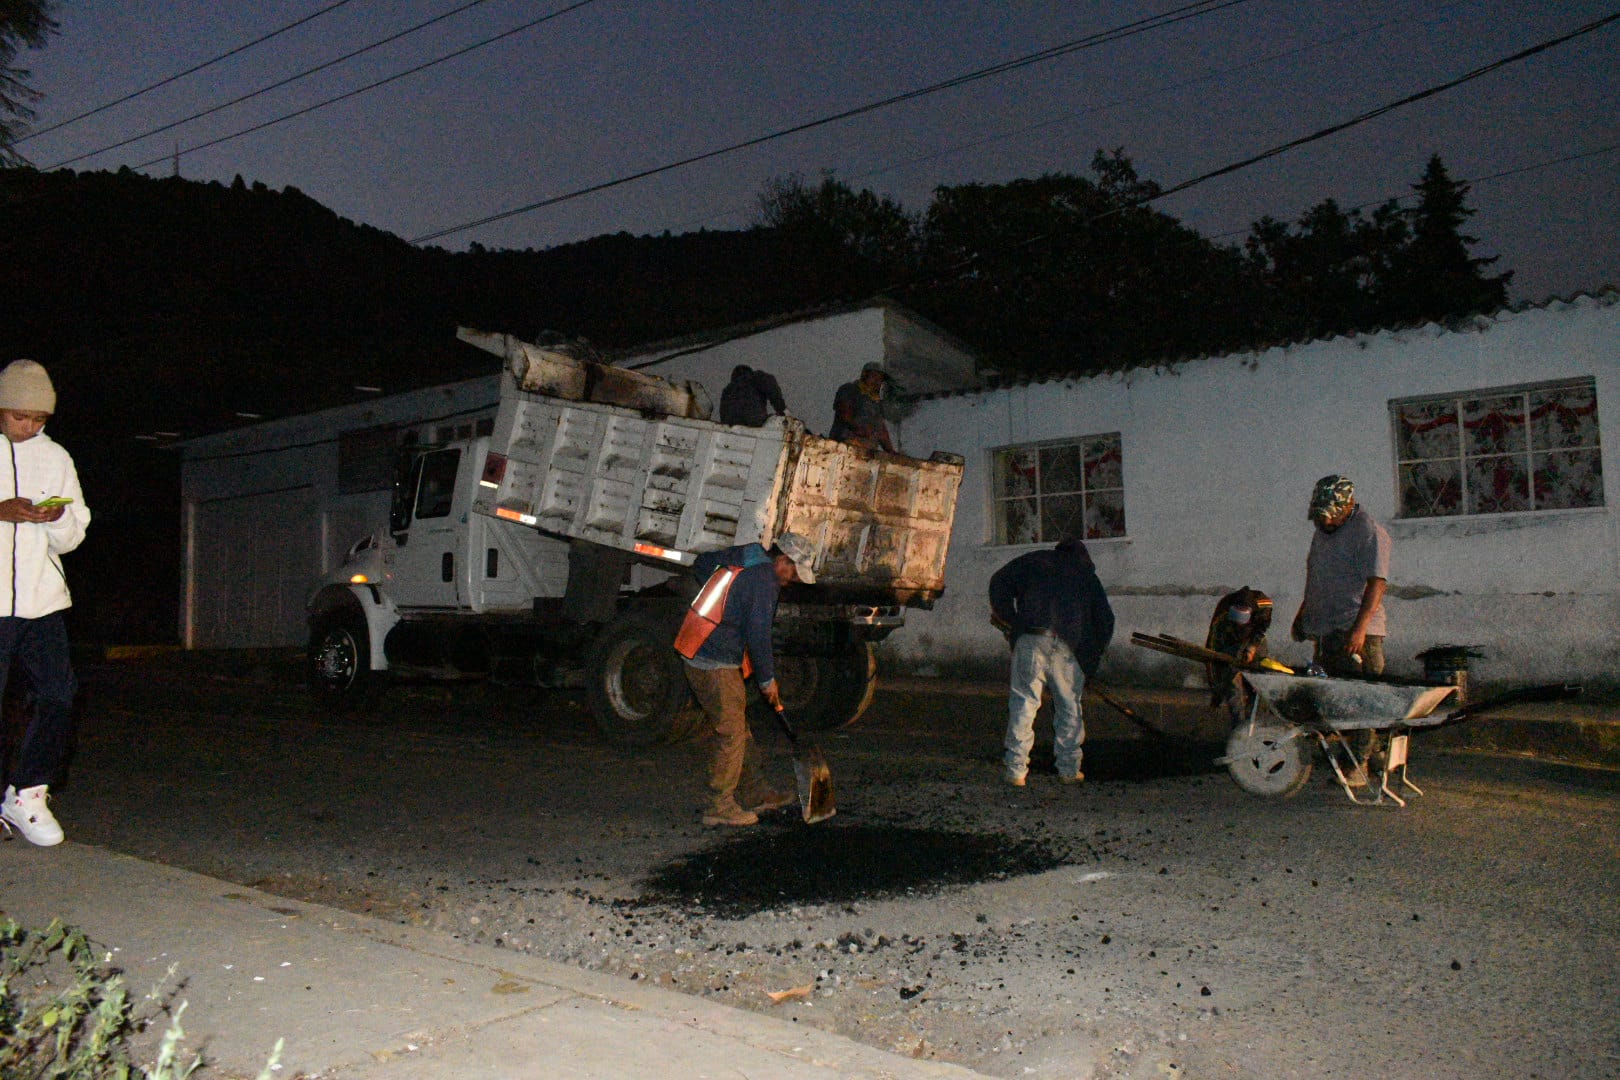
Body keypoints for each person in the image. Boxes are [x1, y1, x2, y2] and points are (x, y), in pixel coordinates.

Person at [0, 360, 91, 847]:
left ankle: (29, 791)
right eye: (19, 416)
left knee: (60, 693)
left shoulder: (56, 457)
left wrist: (52, 519)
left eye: (39, 419)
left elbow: (74, 534)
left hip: (42, 600)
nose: (29, 427)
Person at [674, 532, 818, 827]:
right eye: (793, 571)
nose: (792, 580)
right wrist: (768, 681)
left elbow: (701, 565)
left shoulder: (746, 557)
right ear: (782, 560)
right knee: (731, 733)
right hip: (712, 660)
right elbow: (759, 636)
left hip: (702, 649)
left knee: (739, 728)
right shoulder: (764, 580)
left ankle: (754, 791)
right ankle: (719, 805)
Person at [988, 537, 1114, 786]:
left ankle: (1016, 770)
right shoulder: (1086, 575)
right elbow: (1105, 619)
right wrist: (1092, 656)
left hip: (1031, 638)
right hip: (1068, 646)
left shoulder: (1034, 561)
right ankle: (1069, 769)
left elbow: (998, 581)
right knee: (1069, 708)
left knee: (1024, 705)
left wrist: (1011, 619)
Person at [1290, 475, 1391, 678]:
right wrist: (1304, 614)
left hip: (1354, 633)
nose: (1325, 520)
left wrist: (1359, 630)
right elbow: (1319, 577)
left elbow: (1377, 585)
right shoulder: (1323, 530)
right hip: (1326, 632)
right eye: (1320, 515)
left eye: (1331, 515)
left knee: (1359, 693)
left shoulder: (1368, 532)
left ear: (1349, 505)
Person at [829, 362, 896, 453]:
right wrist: (858, 429)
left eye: (880, 379)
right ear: (864, 375)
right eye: (874, 376)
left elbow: (881, 429)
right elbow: (844, 411)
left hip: (867, 450)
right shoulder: (850, 389)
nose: (877, 382)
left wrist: (891, 451)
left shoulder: (877, 403)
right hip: (844, 444)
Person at [718, 365, 787, 427]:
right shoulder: (754, 377)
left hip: (730, 427)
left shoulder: (727, 390)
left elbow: (722, 414)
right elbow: (771, 387)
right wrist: (782, 409)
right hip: (754, 421)